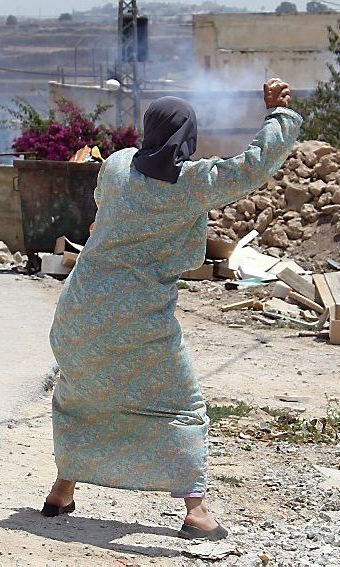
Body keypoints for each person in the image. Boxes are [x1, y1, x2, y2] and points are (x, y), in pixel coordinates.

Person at [44, 79, 301, 540]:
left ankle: (62, 490)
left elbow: (103, 206)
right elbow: (254, 166)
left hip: (78, 308)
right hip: (137, 316)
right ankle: (196, 511)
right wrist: (277, 114)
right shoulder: (192, 183)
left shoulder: (119, 165)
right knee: (181, 406)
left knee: (83, 396)